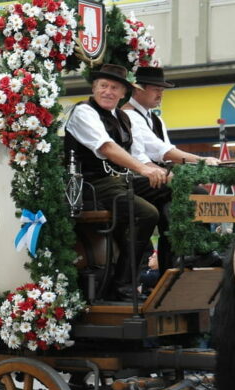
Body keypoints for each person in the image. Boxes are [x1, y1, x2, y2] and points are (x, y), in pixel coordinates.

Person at [64, 63, 166, 301]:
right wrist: (143, 169)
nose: (108, 91)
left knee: (169, 190)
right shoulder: (83, 112)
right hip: (91, 185)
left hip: (119, 181)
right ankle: (123, 285)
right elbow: (107, 148)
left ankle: (172, 263)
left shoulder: (122, 117)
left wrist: (161, 173)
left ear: (124, 93)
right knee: (147, 213)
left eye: (114, 88)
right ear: (94, 88)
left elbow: (139, 155)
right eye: (103, 86)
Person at [122, 66, 220, 270]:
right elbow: (162, 151)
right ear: (138, 89)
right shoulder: (128, 116)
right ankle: (196, 252)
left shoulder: (156, 119)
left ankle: (178, 260)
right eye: (156, 89)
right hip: (135, 179)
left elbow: (167, 157)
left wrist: (193, 172)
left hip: (156, 178)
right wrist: (200, 161)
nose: (160, 94)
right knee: (195, 191)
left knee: (175, 205)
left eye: (162, 90)